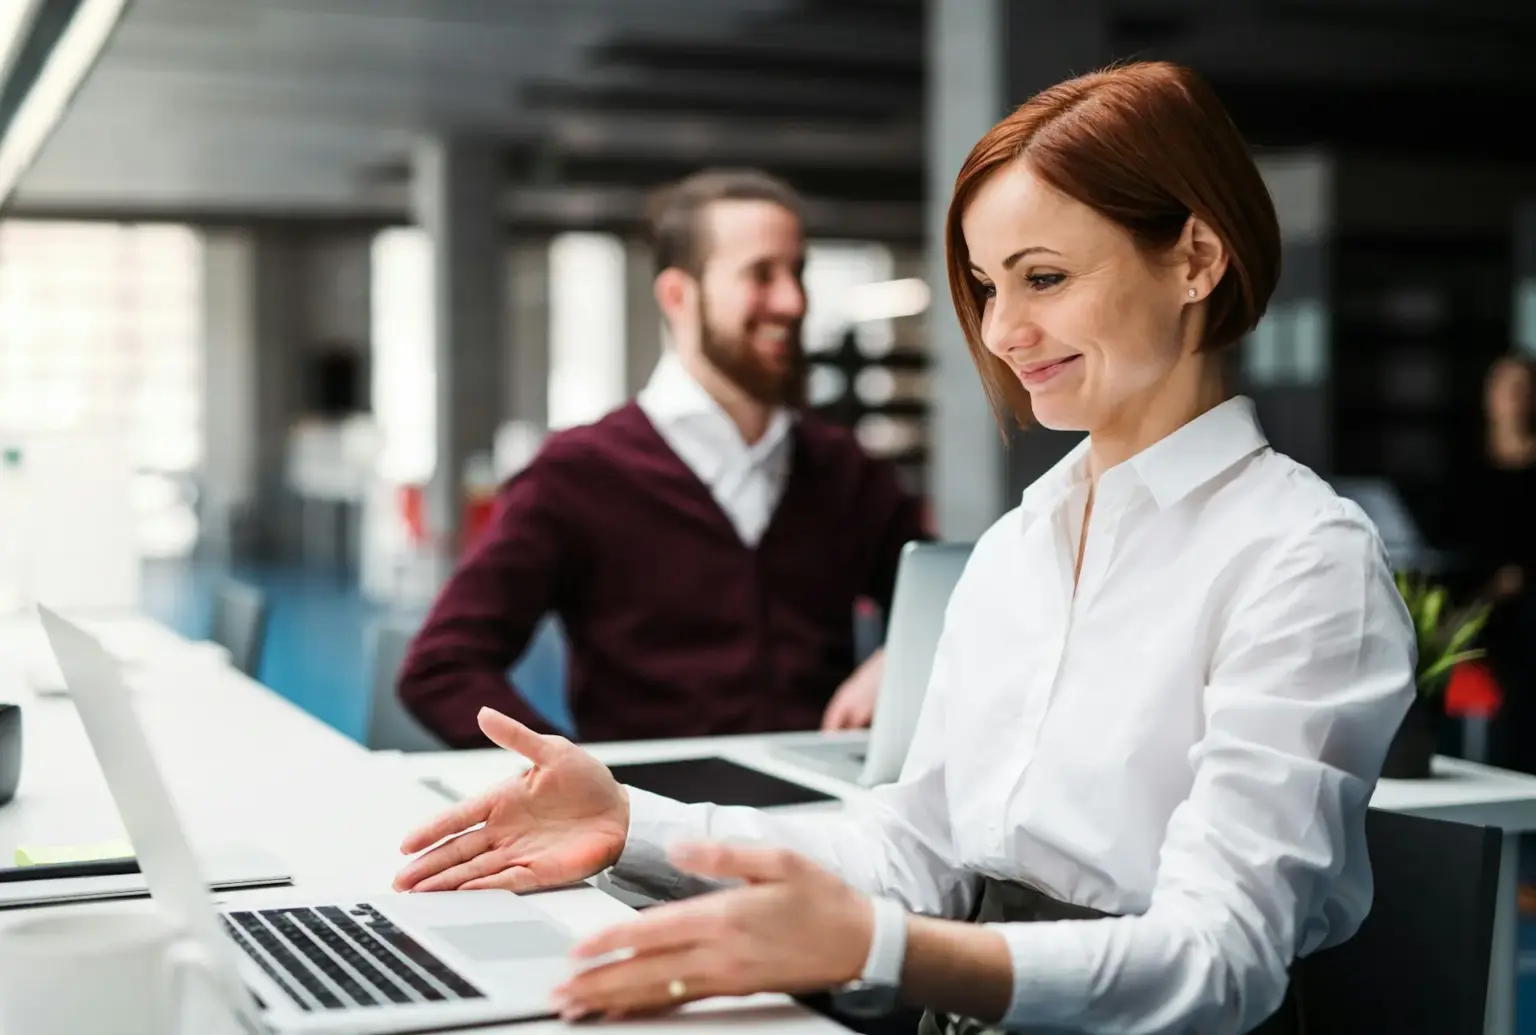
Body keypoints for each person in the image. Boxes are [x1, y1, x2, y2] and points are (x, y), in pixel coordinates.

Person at [392, 62, 1414, 1035]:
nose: (1005, 332)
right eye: (985, 286)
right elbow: (914, 850)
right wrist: (630, 824)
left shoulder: (1301, 558)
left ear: (1195, 259)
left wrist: (883, 948)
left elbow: (1220, 960)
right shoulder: (1019, 550)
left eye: (1044, 277)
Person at [397, 168, 928, 747]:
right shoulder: (577, 475)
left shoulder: (847, 471)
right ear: (678, 295)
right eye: (761, 275)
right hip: (654, 822)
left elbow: (954, 612)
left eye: (797, 273)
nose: (793, 301)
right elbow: (442, 668)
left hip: (825, 819)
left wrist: (902, 660)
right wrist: (571, 777)